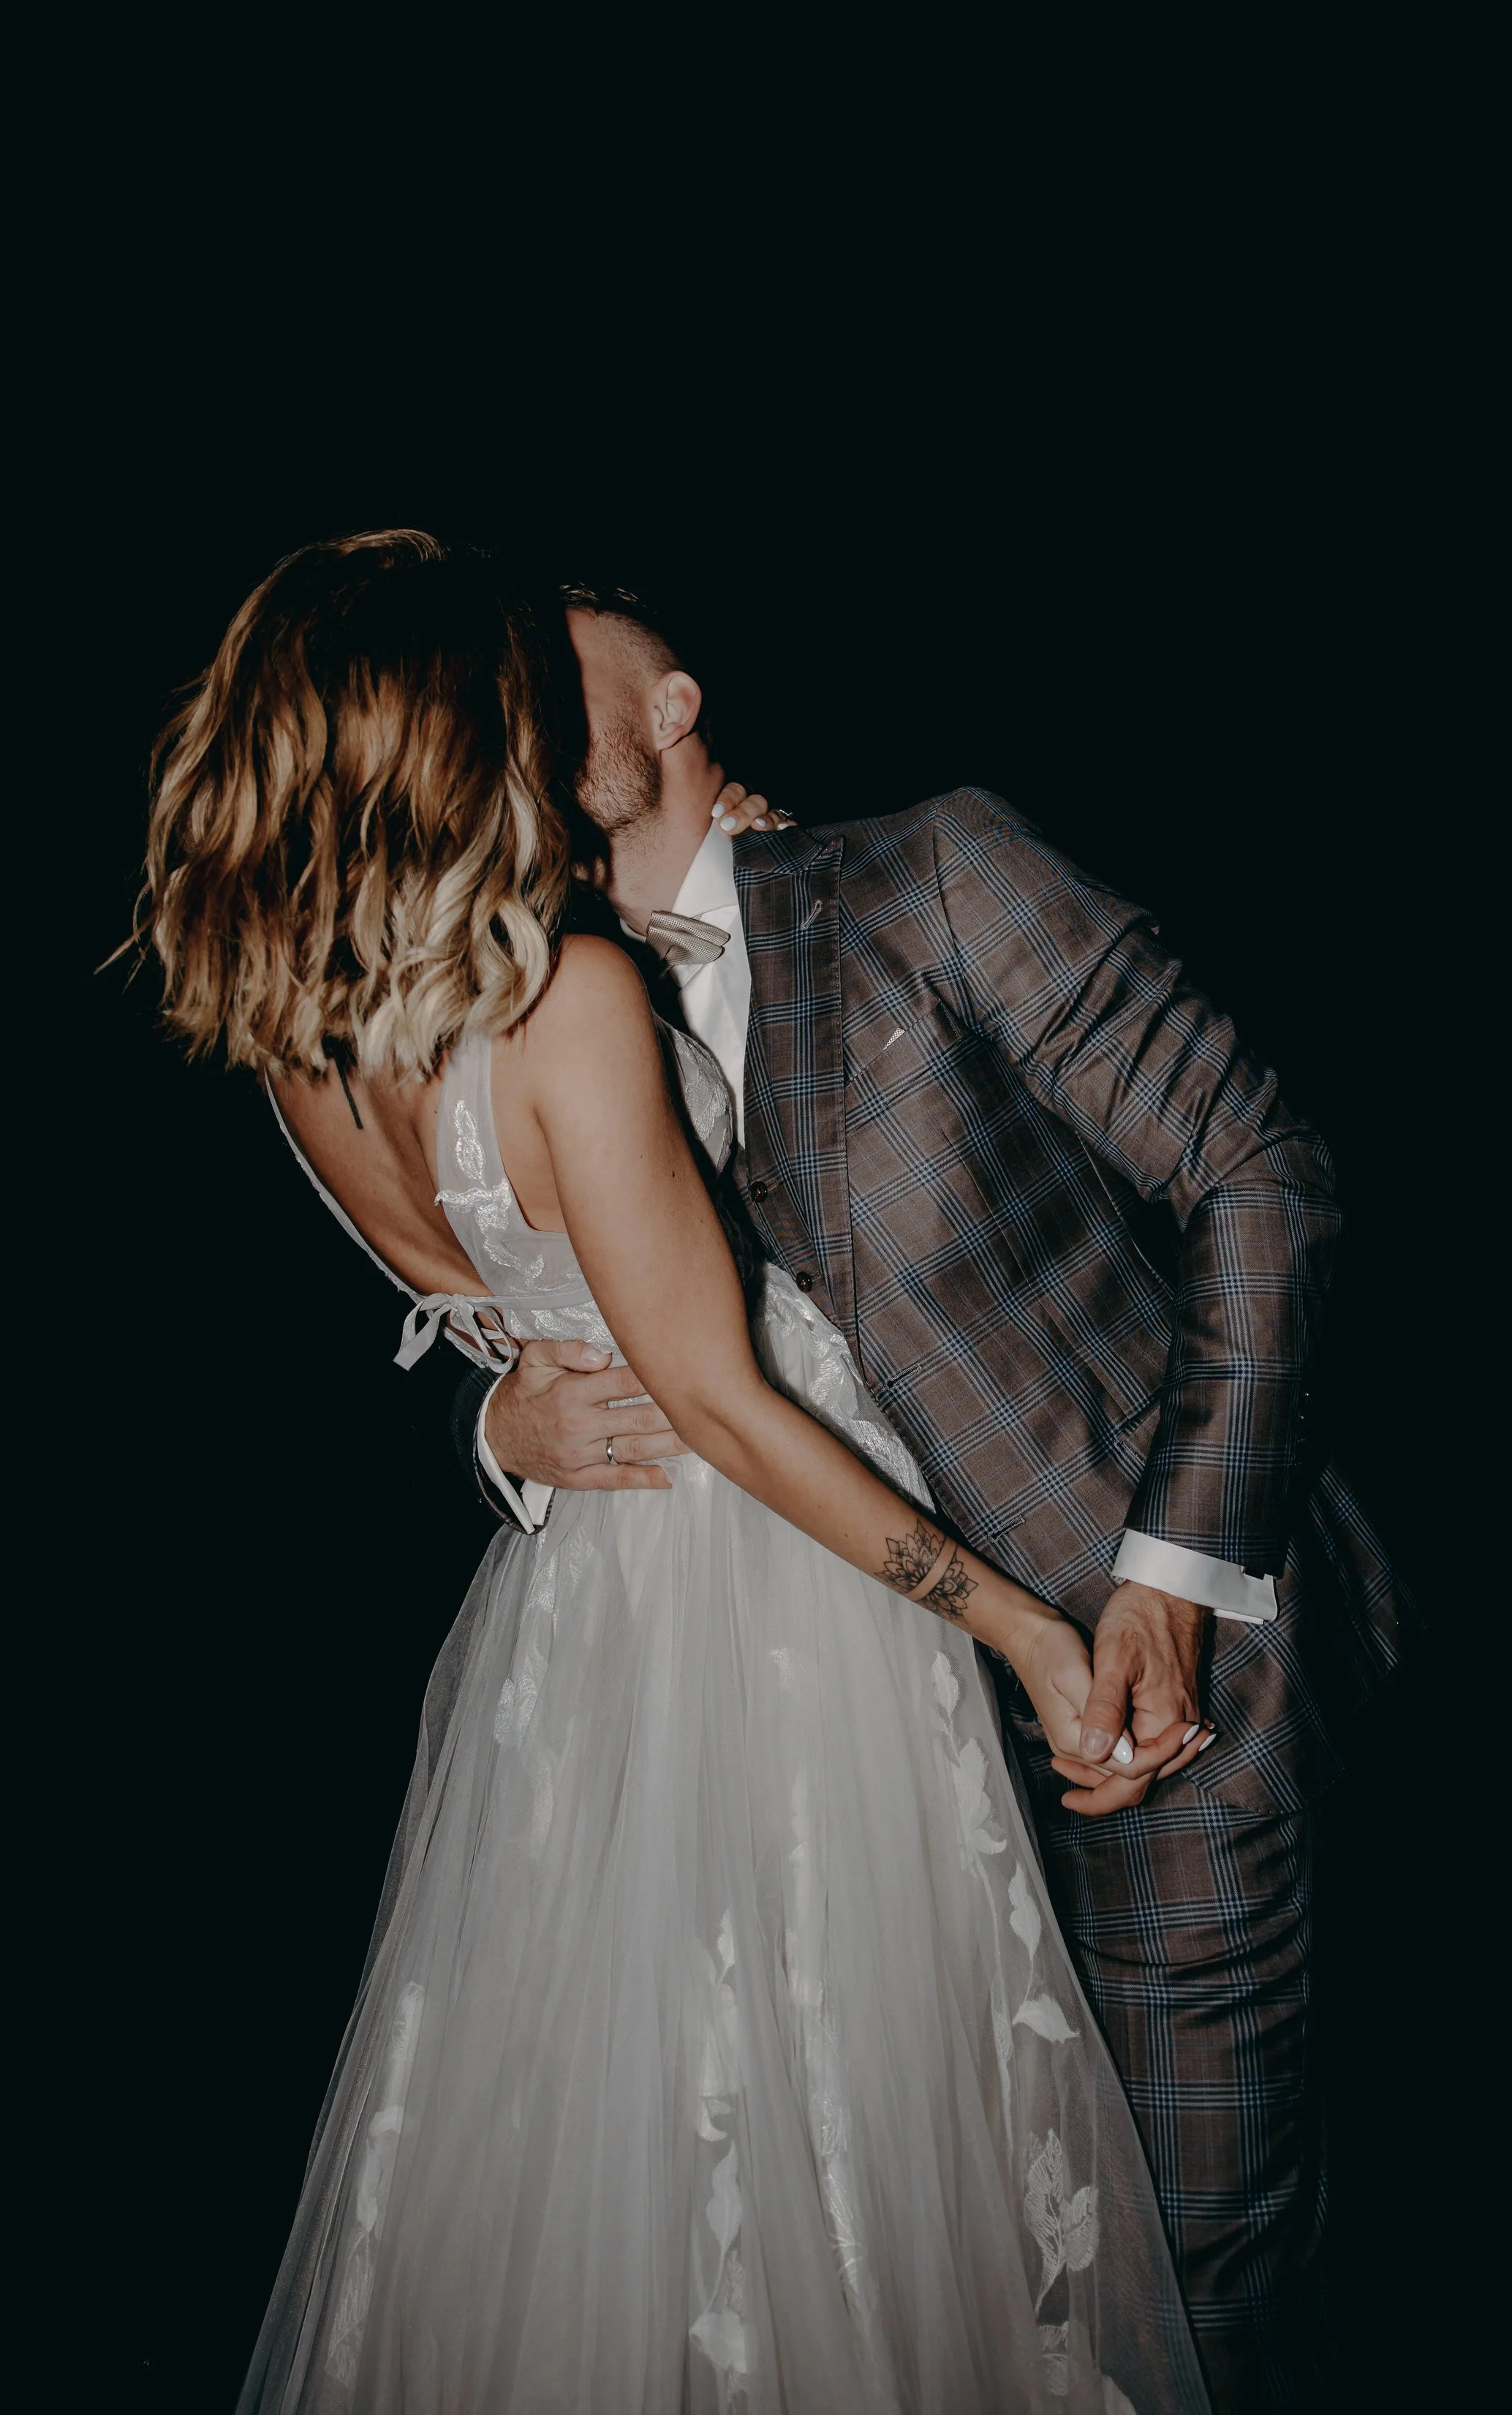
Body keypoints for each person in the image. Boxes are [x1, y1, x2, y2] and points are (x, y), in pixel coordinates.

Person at [140, 529, 1212, 2414]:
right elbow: (717, 1402)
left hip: (574, 1614)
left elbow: (516, 1301)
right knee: (826, 2106)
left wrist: (506, 1411)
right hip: (771, 1584)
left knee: (595, 2112)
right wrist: (1029, 1640)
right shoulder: (560, 1000)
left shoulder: (301, 1048)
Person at [452, 580, 1415, 2411]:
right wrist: (498, 1433)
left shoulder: (926, 874)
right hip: (837, 1810)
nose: (500, 705)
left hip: (1150, 1713)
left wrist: (1169, 1571)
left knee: (1186, 2304)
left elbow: (1261, 1175)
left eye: (545, 673)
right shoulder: (533, 1015)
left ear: (672, 706)